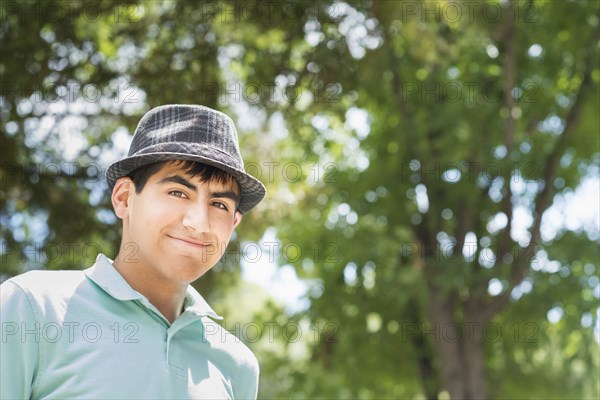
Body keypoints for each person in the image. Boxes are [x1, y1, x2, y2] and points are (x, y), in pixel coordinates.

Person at [0, 104, 266, 399]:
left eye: (219, 204)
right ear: (124, 198)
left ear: (234, 222)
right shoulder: (32, 308)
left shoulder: (237, 365)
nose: (199, 223)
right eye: (178, 193)